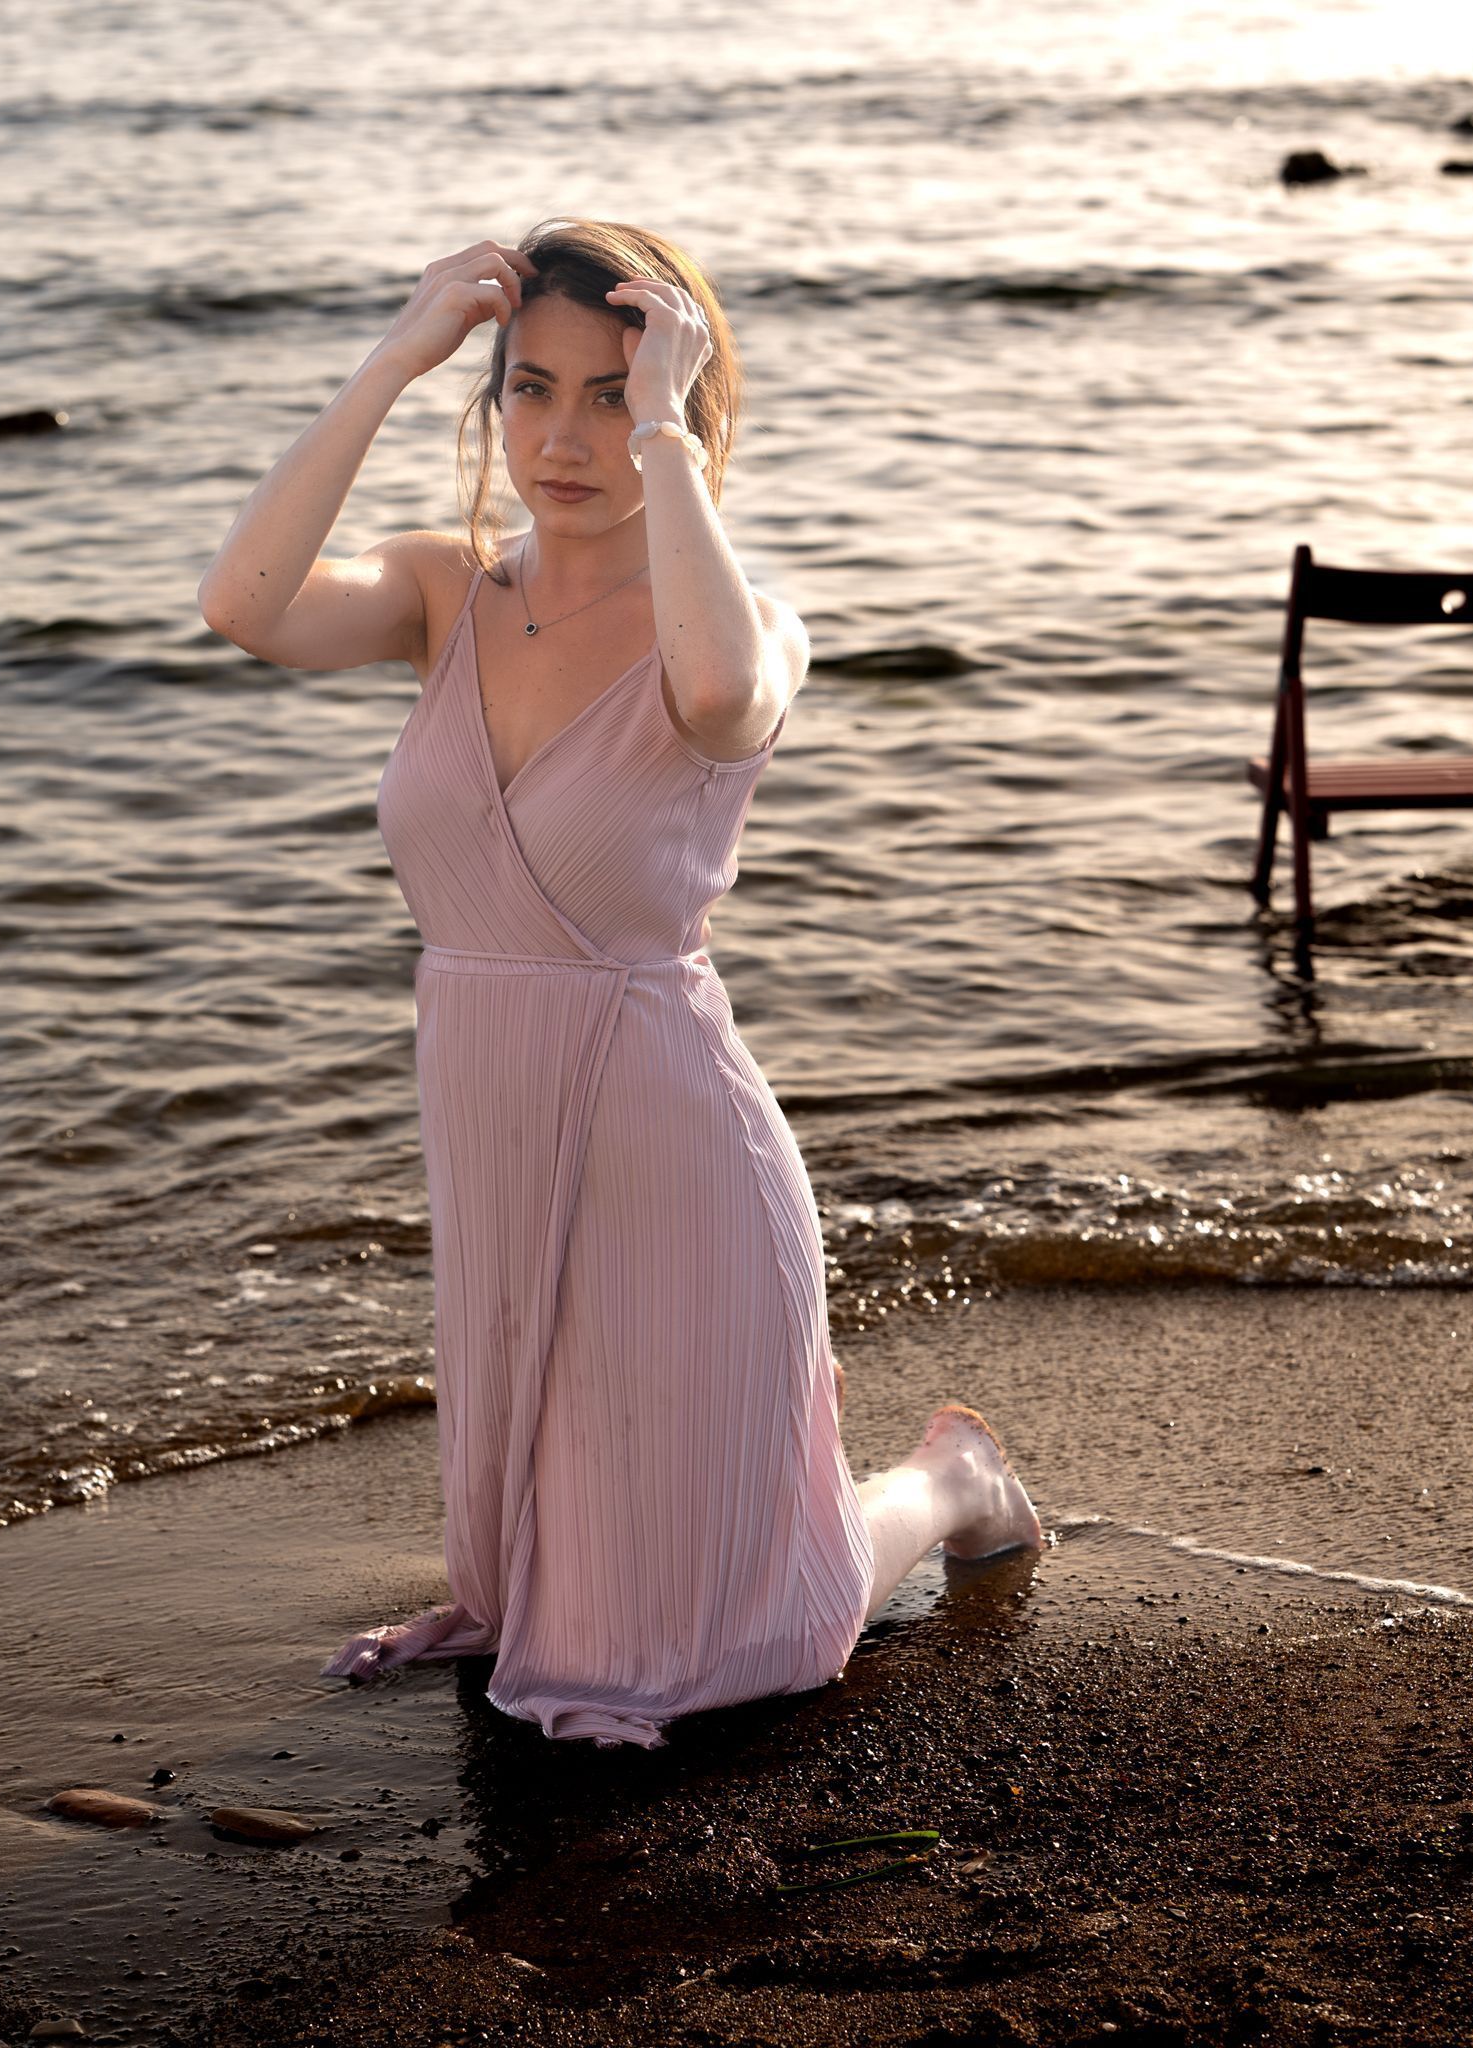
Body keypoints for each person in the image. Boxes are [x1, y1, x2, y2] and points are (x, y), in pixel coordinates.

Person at [196, 217, 1042, 1751]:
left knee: (738, 1634)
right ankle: (919, 1487)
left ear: (680, 411)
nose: (562, 438)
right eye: (531, 389)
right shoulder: (443, 589)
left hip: (668, 1137)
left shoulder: (743, 620)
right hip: (489, 1105)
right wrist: (392, 361)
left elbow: (716, 702)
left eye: (612, 394)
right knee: (554, 1603)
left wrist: (667, 434)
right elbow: (244, 606)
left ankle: (945, 1484)